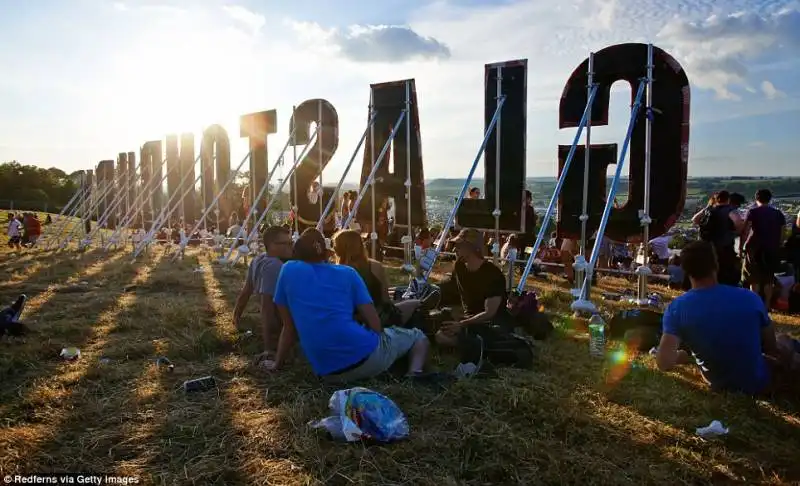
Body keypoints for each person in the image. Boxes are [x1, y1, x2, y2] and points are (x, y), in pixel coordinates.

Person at [267, 228, 429, 381]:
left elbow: (288, 327)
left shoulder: (287, 271)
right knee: (418, 336)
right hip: (366, 358)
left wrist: (277, 364)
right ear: (326, 253)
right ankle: (413, 373)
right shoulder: (348, 273)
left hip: (327, 372)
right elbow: (375, 325)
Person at [655, 241, 797, 395]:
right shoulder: (749, 297)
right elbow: (771, 346)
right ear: (716, 265)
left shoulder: (676, 308)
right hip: (758, 383)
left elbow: (664, 363)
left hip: (717, 383)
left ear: (686, 270)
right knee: (785, 342)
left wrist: (680, 357)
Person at [332, 229, 428, 326]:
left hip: (347, 322)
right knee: (415, 303)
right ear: (360, 246)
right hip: (377, 320)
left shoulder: (333, 273)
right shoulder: (374, 267)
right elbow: (386, 302)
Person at [435, 229, 513, 347]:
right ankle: (473, 343)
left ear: (470, 248)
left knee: (494, 334)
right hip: (469, 319)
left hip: (491, 322)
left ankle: (477, 345)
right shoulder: (459, 266)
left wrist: (462, 324)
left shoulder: (493, 275)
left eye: (459, 246)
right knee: (440, 334)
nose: (455, 249)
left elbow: (489, 313)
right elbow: (450, 288)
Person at [232, 226, 294, 358]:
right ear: (272, 245)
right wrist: (268, 348)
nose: (291, 247)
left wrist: (236, 316)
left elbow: (246, 292)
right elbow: (267, 307)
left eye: (291, 243)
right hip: (280, 325)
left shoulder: (258, 259)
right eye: (286, 243)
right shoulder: (275, 266)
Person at [741, 189, 786, 306]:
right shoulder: (778, 213)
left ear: (756, 199)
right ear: (769, 199)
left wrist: (742, 246)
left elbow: (745, 231)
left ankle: (755, 304)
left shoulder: (752, 212)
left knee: (754, 278)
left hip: (754, 248)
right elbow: (782, 233)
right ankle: (767, 305)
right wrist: (778, 245)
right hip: (771, 248)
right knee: (769, 278)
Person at [692, 190, 742, 286]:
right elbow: (738, 222)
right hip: (724, 246)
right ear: (728, 199)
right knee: (725, 272)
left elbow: (694, 219)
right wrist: (736, 232)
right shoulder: (730, 210)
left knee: (710, 269)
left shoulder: (708, 209)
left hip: (708, 246)